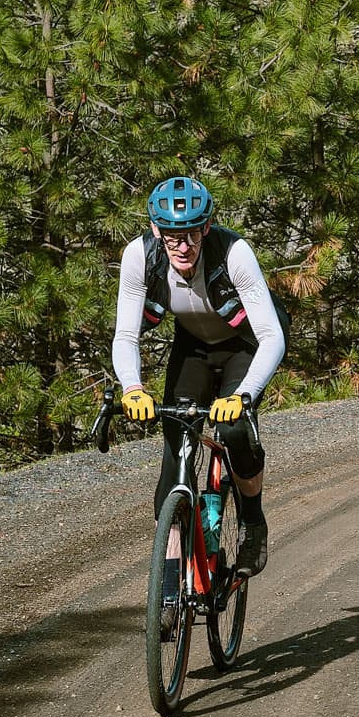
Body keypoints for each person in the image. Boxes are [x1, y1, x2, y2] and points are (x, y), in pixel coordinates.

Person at [112, 176, 285, 578]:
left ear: (206, 227)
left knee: (238, 432)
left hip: (246, 345)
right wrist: (132, 389)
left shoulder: (234, 253)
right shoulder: (140, 256)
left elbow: (272, 336)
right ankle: (170, 581)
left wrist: (242, 396)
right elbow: (125, 333)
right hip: (194, 346)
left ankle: (253, 522)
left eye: (191, 234)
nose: (183, 246)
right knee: (176, 451)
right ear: (156, 230)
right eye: (172, 236)